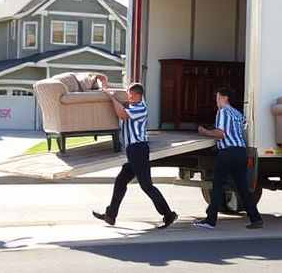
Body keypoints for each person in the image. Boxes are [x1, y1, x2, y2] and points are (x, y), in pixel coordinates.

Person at [92, 82, 178, 228]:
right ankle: (111, 215)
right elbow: (122, 105)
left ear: (137, 95)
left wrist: (112, 97)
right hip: (133, 151)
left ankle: (168, 214)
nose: (128, 96)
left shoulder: (140, 108)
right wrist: (107, 88)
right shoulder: (132, 105)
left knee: (146, 186)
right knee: (120, 181)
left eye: (130, 94)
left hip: (138, 150)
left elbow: (122, 114)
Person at [193, 86, 263, 230]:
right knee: (242, 187)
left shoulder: (223, 111)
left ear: (225, 98)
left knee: (218, 185)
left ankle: (210, 220)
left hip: (227, 153)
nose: (216, 101)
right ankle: (255, 218)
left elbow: (221, 134)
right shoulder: (237, 113)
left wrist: (204, 131)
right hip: (240, 151)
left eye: (218, 98)